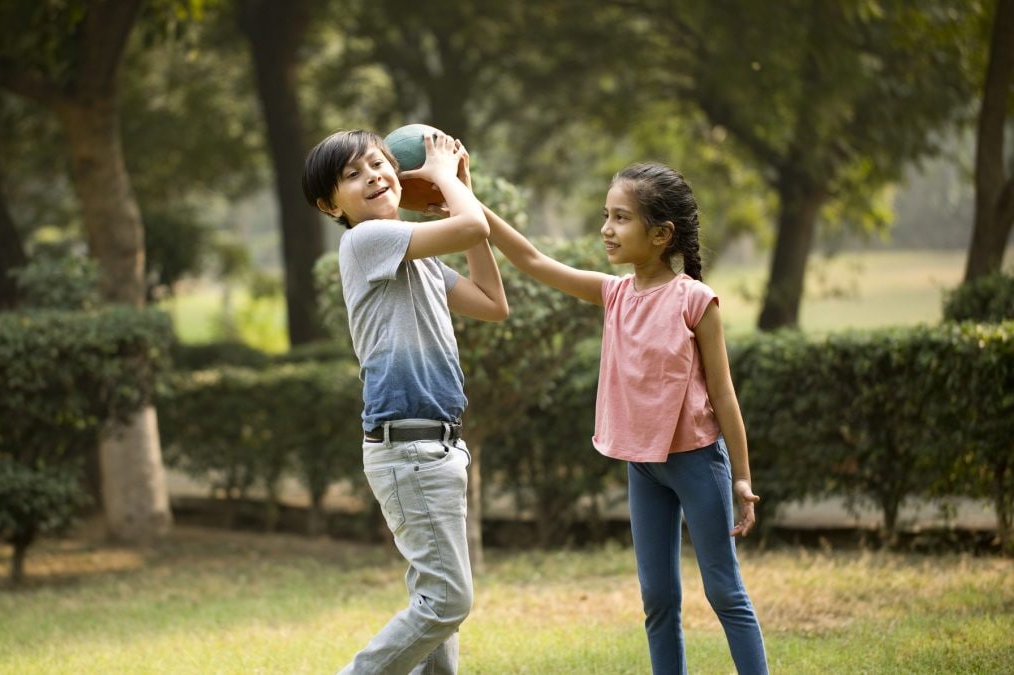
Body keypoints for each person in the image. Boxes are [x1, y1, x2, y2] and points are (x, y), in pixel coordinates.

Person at [483, 162, 768, 674]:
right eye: (605, 216)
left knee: (724, 591)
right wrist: (466, 202)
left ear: (661, 235)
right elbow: (529, 257)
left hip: (698, 462)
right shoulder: (613, 295)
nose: (606, 229)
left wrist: (742, 477)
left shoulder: (695, 301)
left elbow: (725, 397)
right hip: (643, 466)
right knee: (657, 599)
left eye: (620, 218)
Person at [301, 129, 508, 674]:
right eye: (352, 174)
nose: (373, 175)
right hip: (408, 447)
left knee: (437, 609)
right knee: (447, 603)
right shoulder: (366, 241)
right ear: (330, 205)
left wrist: (455, 189)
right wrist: (448, 181)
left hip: (437, 447)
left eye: (379, 163)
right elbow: (472, 223)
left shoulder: (419, 260)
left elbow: (492, 303)